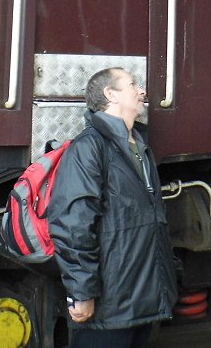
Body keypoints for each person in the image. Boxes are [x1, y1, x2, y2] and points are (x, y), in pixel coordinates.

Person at [47, 67, 177, 348]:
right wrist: (82, 292)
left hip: (141, 299)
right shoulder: (89, 148)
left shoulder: (140, 147)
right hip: (110, 305)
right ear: (110, 94)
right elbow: (73, 225)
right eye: (132, 84)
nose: (142, 91)